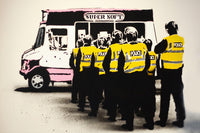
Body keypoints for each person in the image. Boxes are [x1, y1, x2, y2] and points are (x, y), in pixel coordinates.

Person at [118, 26, 150, 131]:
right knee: (145, 101)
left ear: (126, 37)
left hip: (128, 78)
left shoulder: (124, 47)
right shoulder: (143, 46)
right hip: (141, 77)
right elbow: (148, 62)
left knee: (129, 102)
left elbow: (120, 65)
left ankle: (130, 125)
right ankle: (150, 123)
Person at [154, 21, 186, 128]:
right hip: (178, 73)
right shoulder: (181, 40)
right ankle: (180, 120)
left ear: (167, 30)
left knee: (165, 98)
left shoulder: (167, 40)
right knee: (178, 98)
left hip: (167, 74)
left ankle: (163, 121)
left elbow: (156, 49)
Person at [103, 30, 124, 121]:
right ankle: (124, 115)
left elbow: (105, 63)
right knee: (123, 95)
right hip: (123, 74)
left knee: (111, 96)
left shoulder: (111, 48)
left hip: (112, 74)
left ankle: (112, 116)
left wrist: (107, 73)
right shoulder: (125, 46)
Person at [88, 35, 109, 117]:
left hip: (97, 75)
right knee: (108, 93)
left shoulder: (95, 52)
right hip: (107, 74)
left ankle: (94, 111)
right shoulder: (108, 50)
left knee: (95, 94)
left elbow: (92, 64)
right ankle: (110, 112)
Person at [76, 35, 96, 112]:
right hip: (92, 72)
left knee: (82, 91)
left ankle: (81, 106)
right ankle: (93, 109)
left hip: (83, 72)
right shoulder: (94, 49)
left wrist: (78, 72)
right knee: (91, 91)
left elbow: (78, 62)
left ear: (84, 41)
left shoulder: (81, 49)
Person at [142, 39, 157, 129]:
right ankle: (152, 112)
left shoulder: (144, 54)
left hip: (145, 78)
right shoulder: (154, 54)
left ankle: (148, 119)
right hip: (152, 78)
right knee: (151, 97)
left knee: (145, 98)